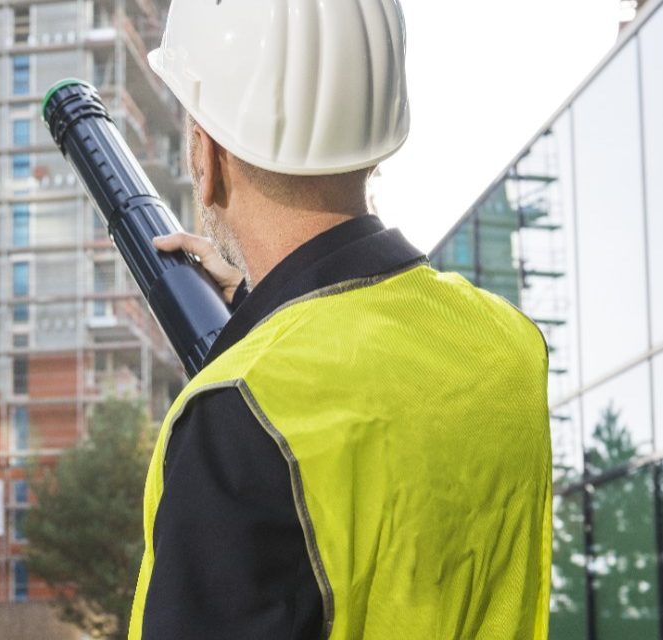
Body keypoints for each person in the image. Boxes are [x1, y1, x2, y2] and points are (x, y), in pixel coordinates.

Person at [134, 0, 553, 638]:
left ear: (207, 153)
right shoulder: (508, 347)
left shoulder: (232, 417)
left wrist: (267, 338)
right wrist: (266, 306)